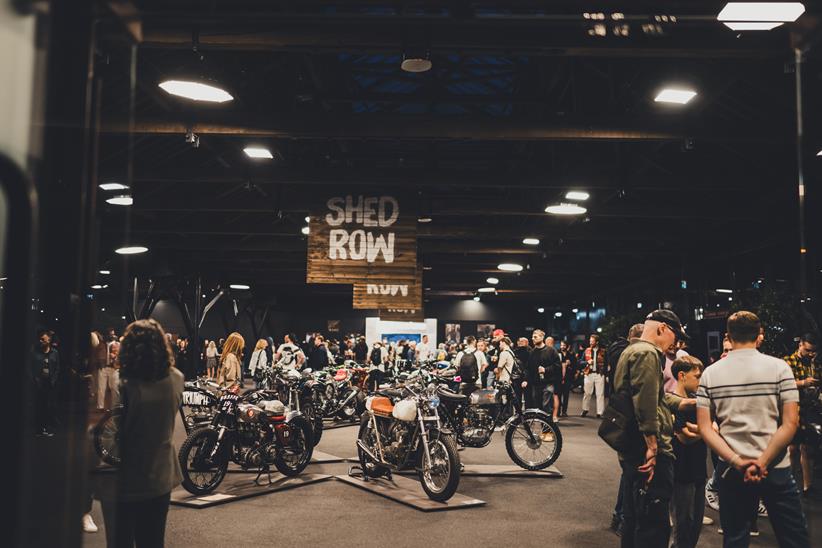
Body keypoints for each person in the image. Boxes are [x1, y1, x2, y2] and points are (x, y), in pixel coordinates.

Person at [697, 311, 809, 547]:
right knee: (794, 539)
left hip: (732, 470)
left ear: (728, 336)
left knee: (735, 538)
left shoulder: (710, 373)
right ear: (760, 335)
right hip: (776, 468)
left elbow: (705, 428)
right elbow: (791, 423)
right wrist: (763, 461)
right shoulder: (780, 368)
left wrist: (738, 461)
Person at [613, 309, 693, 548]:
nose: (675, 344)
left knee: (635, 516)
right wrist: (652, 447)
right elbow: (645, 403)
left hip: (630, 445)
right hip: (647, 450)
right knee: (653, 523)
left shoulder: (631, 350)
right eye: (675, 336)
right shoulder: (648, 353)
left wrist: (684, 403)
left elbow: (653, 397)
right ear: (662, 329)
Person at [101, 318, 183, 548]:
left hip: (126, 478)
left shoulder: (123, 383)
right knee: (153, 541)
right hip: (160, 473)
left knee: (120, 542)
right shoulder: (176, 379)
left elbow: (111, 430)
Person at [608, 323, 645, 536]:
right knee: (631, 472)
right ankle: (623, 518)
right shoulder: (636, 355)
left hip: (622, 419)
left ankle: (621, 516)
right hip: (631, 423)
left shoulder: (620, 353)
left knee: (628, 473)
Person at [669, 356, 707, 548]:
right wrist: (708, 431)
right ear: (682, 376)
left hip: (699, 470)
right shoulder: (674, 402)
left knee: (695, 525)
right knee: (683, 525)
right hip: (682, 472)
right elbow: (684, 437)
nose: (701, 381)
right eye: (697, 376)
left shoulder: (696, 401)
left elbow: (695, 431)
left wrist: (697, 430)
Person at [784, 332, 819, 496]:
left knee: (807, 449)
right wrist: (803, 383)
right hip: (794, 410)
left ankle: (807, 486)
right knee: (792, 448)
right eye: (808, 350)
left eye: (813, 351)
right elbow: (785, 384)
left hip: (810, 409)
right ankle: (790, 484)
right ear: (800, 345)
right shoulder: (788, 361)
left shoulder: (814, 363)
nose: (810, 354)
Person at [522, 330, 560, 417]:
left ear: (542, 337)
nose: (533, 339)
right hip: (536, 384)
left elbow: (558, 366)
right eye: (532, 337)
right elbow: (528, 368)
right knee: (539, 408)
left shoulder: (551, 351)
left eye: (535, 337)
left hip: (548, 383)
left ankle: (548, 429)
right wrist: (525, 380)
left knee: (546, 406)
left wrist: (545, 370)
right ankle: (545, 428)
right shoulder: (532, 352)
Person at [30, 330, 60, 436]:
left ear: (49, 340)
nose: (41, 341)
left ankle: (47, 427)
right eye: (40, 339)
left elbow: (57, 368)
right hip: (39, 383)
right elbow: (31, 367)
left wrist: (54, 380)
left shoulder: (54, 353)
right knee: (39, 405)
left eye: (43, 339)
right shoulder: (35, 352)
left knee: (49, 406)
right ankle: (39, 428)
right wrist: (34, 378)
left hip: (50, 383)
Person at [582, 334, 607, 418]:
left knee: (600, 394)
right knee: (587, 393)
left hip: (599, 374)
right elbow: (580, 362)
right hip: (589, 373)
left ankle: (600, 412)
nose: (590, 343)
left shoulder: (603, 351)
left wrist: (606, 373)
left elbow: (607, 363)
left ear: (597, 342)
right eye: (590, 341)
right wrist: (587, 362)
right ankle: (585, 409)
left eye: (592, 341)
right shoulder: (586, 350)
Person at [98, 329, 121, 410]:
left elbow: (119, 355)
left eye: (113, 334)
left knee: (114, 387)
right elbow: (96, 354)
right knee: (101, 388)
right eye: (110, 334)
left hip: (113, 367)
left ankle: (115, 406)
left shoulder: (117, 344)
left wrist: (116, 358)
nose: (112, 336)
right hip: (103, 367)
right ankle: (100, 407)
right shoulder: (101, 344)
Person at [557, 340, 576, 418]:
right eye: (561, 345)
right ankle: (558, 410)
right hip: (559, 377)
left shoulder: (571, 355)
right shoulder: (557, 353)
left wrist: (570, 363)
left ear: (567, 346)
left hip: (568, 377)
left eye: (564, 345)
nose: (562, 347)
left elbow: (575, 365)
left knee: (566, 395)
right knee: (558, 394)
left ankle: (564, 411)